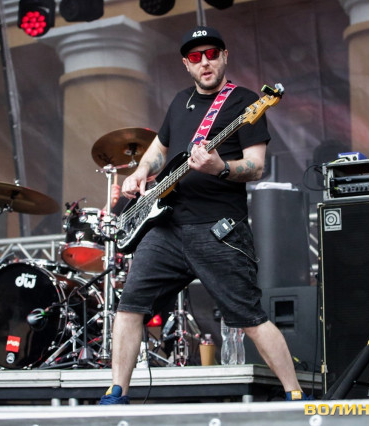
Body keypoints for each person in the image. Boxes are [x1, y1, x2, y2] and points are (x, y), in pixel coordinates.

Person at [99, 25, 305, 405]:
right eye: (196, 57)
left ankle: (295, 395)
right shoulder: (181, 102)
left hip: (217, 229)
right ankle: (116, 393)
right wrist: (141, 172)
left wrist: (219, 167)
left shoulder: (245, 102)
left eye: (211, 54)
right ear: (186, 64)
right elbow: (159, 149)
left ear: (224, 56)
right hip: (167, 226)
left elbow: (256, 166)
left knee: (250, 317)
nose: (205, 62)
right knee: (129, 307)